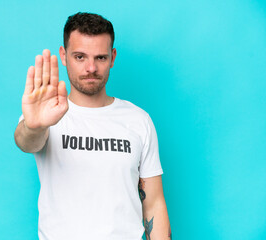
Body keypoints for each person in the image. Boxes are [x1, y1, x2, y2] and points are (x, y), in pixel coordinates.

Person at [14, 12, 171, 240]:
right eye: (80, 57)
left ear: (112, 57)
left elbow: (154, 203)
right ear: (64, 55)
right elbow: (26, 141)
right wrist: (34, 126)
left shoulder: (138, 120)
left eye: (100, 58)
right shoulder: (47, 114)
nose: (91, 68)